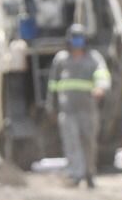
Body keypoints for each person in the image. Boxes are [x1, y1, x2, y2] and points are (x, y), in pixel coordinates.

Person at [47, 23, 111, 188]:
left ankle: (89, 173)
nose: (77, 41)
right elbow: (53, 85)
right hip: (67, 111)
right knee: (71, 142)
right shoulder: (61, 59)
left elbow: (102, 74)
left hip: (88, 110)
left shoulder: (93, 58)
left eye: (80, 38)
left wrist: (101, 87)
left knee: (88, 142)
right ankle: (76, 174)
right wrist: (51, 107)